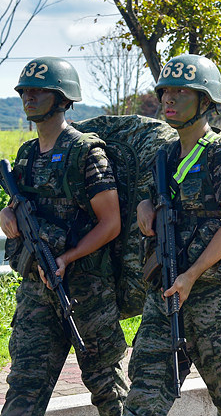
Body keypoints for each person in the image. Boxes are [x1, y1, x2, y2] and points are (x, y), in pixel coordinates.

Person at [125, 54, 221, 416]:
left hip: (210, 301)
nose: (168, 99)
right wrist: (144, 204)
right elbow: (153, 196)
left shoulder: (218, 152)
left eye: (181, 93)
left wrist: (191, 274)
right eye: (166, 91)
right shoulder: (165, 155)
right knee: (141, 401)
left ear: (205, 101)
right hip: (164, 295)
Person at [0, 57, 128, 416]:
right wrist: (6, 213)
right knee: (23, 389)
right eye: (25, 90)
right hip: (36, 294)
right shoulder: (26, 154)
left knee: (108, 390)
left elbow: (111, 223)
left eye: (40, 90)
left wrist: (66, 258)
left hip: (86, 290)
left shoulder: (87, 151)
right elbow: (19, 206)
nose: (29, 97)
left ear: (62, 98)